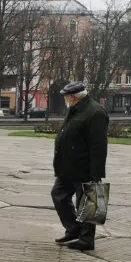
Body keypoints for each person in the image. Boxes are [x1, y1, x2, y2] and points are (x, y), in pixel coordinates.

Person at [51, 82, 109, 252]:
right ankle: (73, 228)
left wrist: (96, 173)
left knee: (88, 202)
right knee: (58, 195)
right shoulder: (75, 108)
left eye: (66, 96)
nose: (64, 99)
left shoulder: (95, 112)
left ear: (73, 96)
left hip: (84, 167)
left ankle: (86, 240)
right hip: (67, 166)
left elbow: (98, 146)